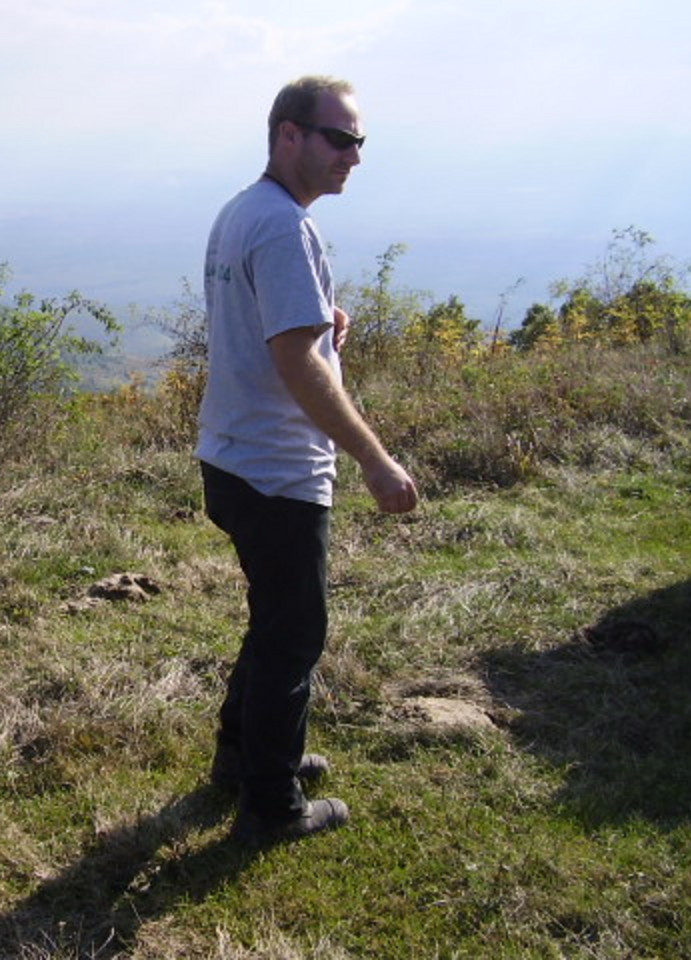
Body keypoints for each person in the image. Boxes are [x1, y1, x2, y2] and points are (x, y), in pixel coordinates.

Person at [196, 75, 419, 847]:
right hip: (277, 469)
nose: (354, 155)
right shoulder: (284, 227)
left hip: (231, 456)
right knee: (293, 638)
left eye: (359, 141)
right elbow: (295, 364)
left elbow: (273, 328)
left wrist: (322, 324)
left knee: (274, 622)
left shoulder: (244, 210)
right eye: (340, 138)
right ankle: (272, 806)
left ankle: (245, 759)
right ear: (288, 135)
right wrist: (375, 461)